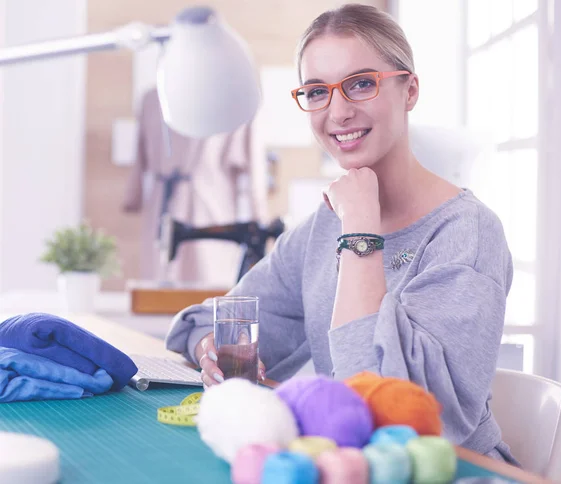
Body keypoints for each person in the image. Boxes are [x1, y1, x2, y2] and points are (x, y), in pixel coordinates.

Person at [165, 3, 518, 465]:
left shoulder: (467, 234)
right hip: (350, 466)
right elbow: (200, 322)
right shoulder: (323, 226)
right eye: (317, 91)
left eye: (361, 84)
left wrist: (360, 233)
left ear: (409, 90)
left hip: (448, 470)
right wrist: (209, 348)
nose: (339, 111)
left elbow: (389, 408)